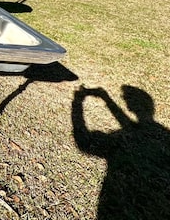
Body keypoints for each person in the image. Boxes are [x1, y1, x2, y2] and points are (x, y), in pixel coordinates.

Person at [72, 85, 170, 219]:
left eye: (126, 98)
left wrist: (78, 100)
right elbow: (127, 124)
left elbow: (83, 143)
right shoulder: (161, 133)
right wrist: (105, 98)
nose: (125, 100)